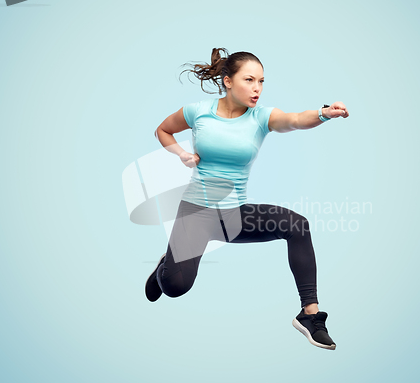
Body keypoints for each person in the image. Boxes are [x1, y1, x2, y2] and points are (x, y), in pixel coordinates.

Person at [145, 48, 349, 350]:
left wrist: (323, 114)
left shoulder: (261, 117)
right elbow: (163, 130)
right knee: (175, 287)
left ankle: (310, 315)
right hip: (196, 214)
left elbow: (294, 118)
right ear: (228, 81)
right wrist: (183, 155)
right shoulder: (197, 111)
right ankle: (168, 263)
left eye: (262, 81)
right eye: (250, 80)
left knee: (298, 225)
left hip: (235, 216)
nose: (257, 88)